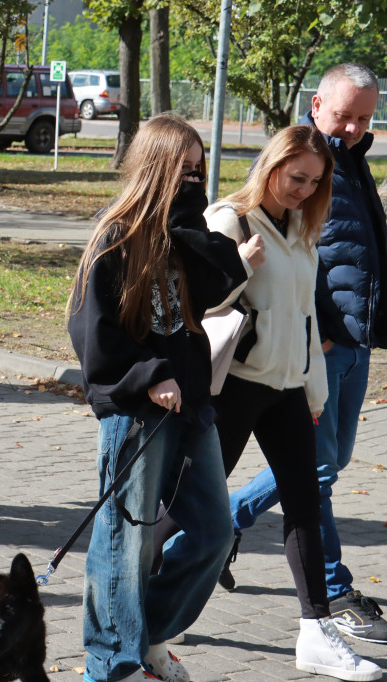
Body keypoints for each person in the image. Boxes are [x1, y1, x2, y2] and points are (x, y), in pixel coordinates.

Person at [155, 125, 380, 681]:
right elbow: (200, 305)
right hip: (234, 385)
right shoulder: (229, 218)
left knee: (305, 501)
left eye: (315, 181)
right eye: (295, 177)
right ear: (271, 165)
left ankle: (315, 633)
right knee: (193, 503)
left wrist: (314, 389)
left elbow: (305, 314)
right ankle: (135, 595)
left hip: (287, 386)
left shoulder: (304, 223)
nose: (303, 189)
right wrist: (243, 265)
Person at [67, 114, 257, 682]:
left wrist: (189, 222)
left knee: (213, 534)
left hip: (192, 405)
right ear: (156, 168)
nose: (195, 179)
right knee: (125, 538)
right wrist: (149, 375)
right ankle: (109, 663)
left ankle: (143, 636)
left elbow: (215, 286)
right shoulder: (115, 236)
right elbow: (90, 333)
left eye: (201, 169)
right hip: (136, 412)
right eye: (184, 170)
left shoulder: (179, 233)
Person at [225, 63, 387, 645]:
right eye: (344, 114)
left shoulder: (351, 160)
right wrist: (311, 329)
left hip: (351, 342)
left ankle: (225, 524)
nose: (353, 126)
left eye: (365, 116)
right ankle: (332, 589)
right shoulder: (294, 162)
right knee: (314, 472)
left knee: (332, 462)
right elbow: (275, 247)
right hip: (314, 347)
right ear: (317, 105)